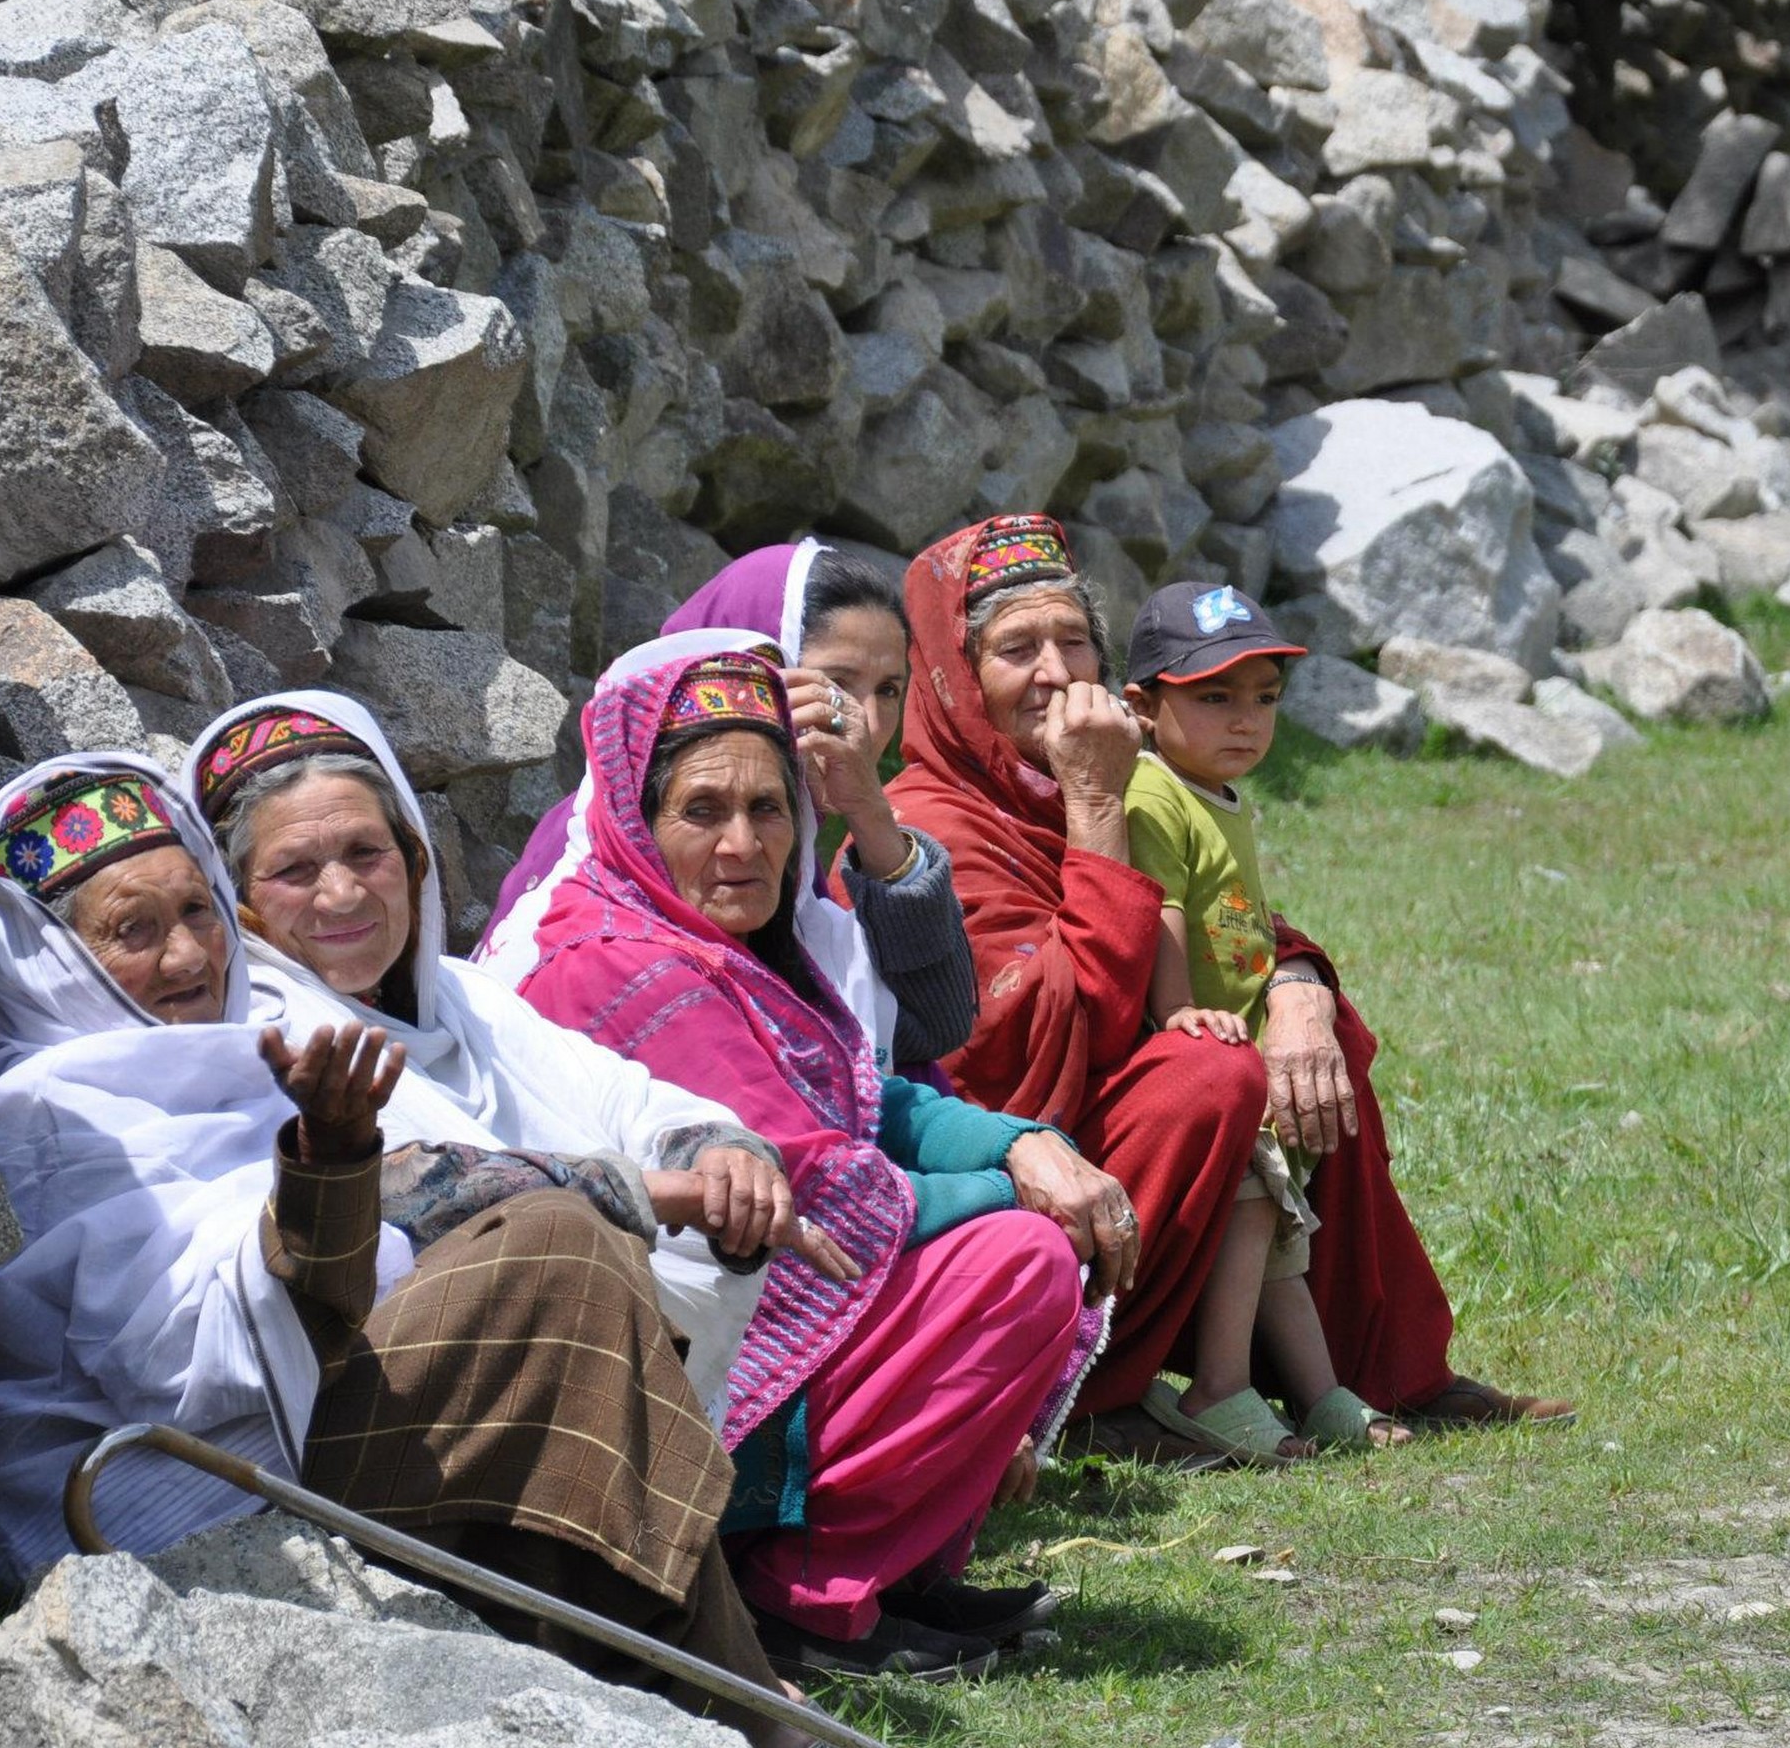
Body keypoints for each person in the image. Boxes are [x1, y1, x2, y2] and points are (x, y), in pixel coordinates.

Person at [0, 754, 804, 1737]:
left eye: (199, 912)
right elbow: (184, 1350)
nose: (188, 958)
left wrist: (340, 1167)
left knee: (562, 1267)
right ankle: (728, 1690)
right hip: (165, 1484)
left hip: (298, 1421)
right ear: (47, 958)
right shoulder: (39, 1121)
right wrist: (331, 1163)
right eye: (133, 931)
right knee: (552, 1253)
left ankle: (669, 1686)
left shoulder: (241, 1055)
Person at [496, 639, 1126, 1684]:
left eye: (770, 809)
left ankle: (884, 1579)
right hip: (669, 1358)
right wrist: (1015, 1188)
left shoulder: (750, 940)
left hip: (758, 1297)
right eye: (702, 812)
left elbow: (870, 1101)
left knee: (1017, 1231)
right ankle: (795, 1595)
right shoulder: (618, 959)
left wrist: (1024, 1142)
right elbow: (821, 1187)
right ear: (632, 819)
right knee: (1013, 1261)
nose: (743, 844)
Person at [884, 515, 1574, 1448]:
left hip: (1126, 1108)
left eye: (1073, 641)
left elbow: (1222, 917)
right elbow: (1037, 1039)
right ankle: (1102, 1393)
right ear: (954, 677)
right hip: (1030, 1146)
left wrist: (1297, 990)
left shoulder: (1132, 779)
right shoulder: (931, 827)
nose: (1055, 674)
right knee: (1212, 1077)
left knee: (1319, 1046)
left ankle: (1369, 1373)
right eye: (1015, 649)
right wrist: (1093, 804)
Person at [185, 691, 847, 1424]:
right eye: (295, 871)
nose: (341, 894)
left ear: (413, 860)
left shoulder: (464, 995)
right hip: (404, 1409)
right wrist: (656, 1193)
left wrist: (720, 1150)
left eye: (365, 854)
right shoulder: (262, 1031)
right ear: (238, 900)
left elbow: (628, 1097)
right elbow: (396, 1188)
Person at [484, 538, 974, 1073]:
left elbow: (930, 1028)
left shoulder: (791, 870)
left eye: (888, 691)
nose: (869, 726)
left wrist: (871, 814)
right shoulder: (615, 858)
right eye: (835, 685)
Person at [1119, 583, 1416, 1463]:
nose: (1245, 722)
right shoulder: (1152, 795)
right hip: (1207, 1052)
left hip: (1248, 1040)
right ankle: (1218, 1387)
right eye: (1214, 698)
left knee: (1284, 1227)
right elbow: (1158, 911)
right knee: (1255, 1216)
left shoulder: (1218, 791)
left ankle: (1319, 1392)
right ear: (1142, 706)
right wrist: (1175, 1013)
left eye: (1265, 700)